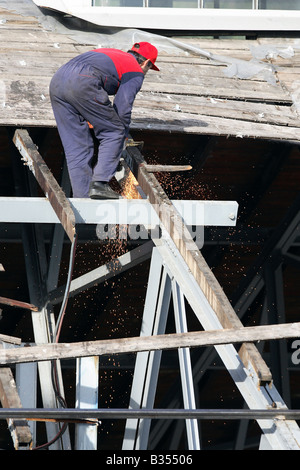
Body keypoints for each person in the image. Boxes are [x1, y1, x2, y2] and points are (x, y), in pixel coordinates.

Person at [49, 42, 159, 199]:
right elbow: (123, 107)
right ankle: (99, 184)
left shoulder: (113, 54)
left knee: (76, 146)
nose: (147, 72)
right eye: (149, 68)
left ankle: (83, 199)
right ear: (147, 62)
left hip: (57, 81)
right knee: (114, 132)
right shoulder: (135, 70)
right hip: (83, 80)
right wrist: (123, 136)